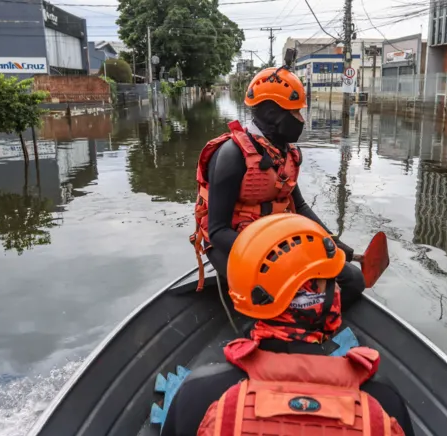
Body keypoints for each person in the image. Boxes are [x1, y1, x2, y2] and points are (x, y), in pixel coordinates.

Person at [164, 214, 415, 436]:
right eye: (332, 280)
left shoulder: (196, 394)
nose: (339, 288)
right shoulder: (383, 399)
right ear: (315, 291)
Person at [190, 66, 365, 308]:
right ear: (273, 113)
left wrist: (335, 244)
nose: (301, 120)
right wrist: (274, 259)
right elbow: (218, 231)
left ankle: (316, 321)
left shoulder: (286, 153)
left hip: (279, 244)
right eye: (296, 113)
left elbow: (300, 206)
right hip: (234, 246)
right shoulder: (232, 155)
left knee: (354, 280)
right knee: (278, 297)